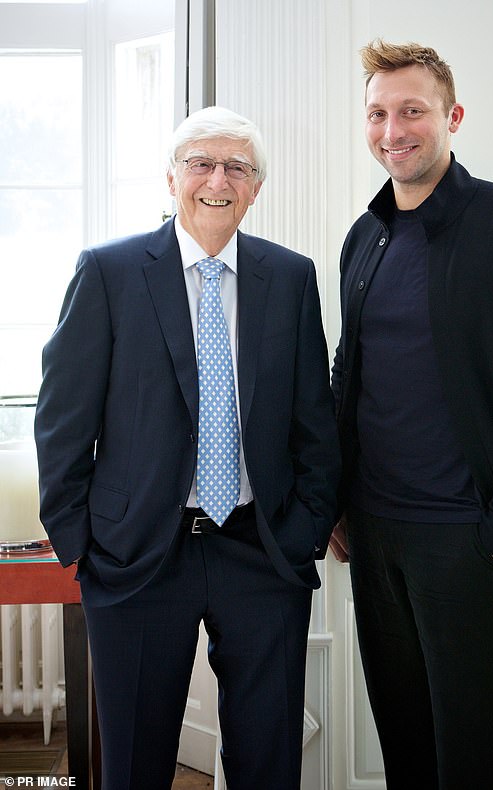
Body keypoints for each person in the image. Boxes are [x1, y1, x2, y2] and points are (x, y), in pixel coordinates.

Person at [35, 105, 340, 790]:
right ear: (171, 178)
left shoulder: (289, 277)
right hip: (137, 551)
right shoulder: (108, 272)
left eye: (236, 166)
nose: (217, 179)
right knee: (137, 761)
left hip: (261, 550)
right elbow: (62, 418)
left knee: (268, 760)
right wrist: (77, 539)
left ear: (256, 187)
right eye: (201, 162)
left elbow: (314, 420)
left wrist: (305, 529)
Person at [330, 39, 493, 789]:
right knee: (408, 758)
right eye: (378, 114)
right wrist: (338, 500)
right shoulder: (366, 237)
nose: (393, 130)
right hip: (376, 539)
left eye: (411, 111)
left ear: (451, 116)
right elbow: (348, 375)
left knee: (479, 766)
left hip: (470, 544)